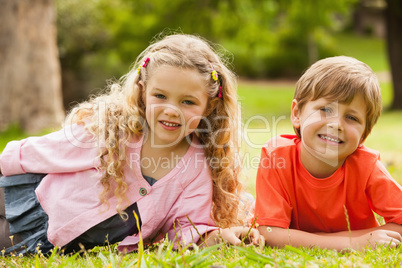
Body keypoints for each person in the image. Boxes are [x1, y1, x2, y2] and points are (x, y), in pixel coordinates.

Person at [0, 33, 260, 255]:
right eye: (160, 96)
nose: (171, 110)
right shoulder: (114, 131)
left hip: (41, 242)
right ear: (143, 91)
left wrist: (218, 238)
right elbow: (43, 152)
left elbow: (187, 231)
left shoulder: (196, 169)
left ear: (209, 105)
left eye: (187, 102)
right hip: (27, 199)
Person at [254, 56, 402, 251]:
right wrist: (354, 242)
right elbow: (269, 232)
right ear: (297, 114)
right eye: (325, 109)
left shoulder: (367, 166)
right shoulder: (276, 157)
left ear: (364, 135)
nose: (336, 124)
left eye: (351, 117)